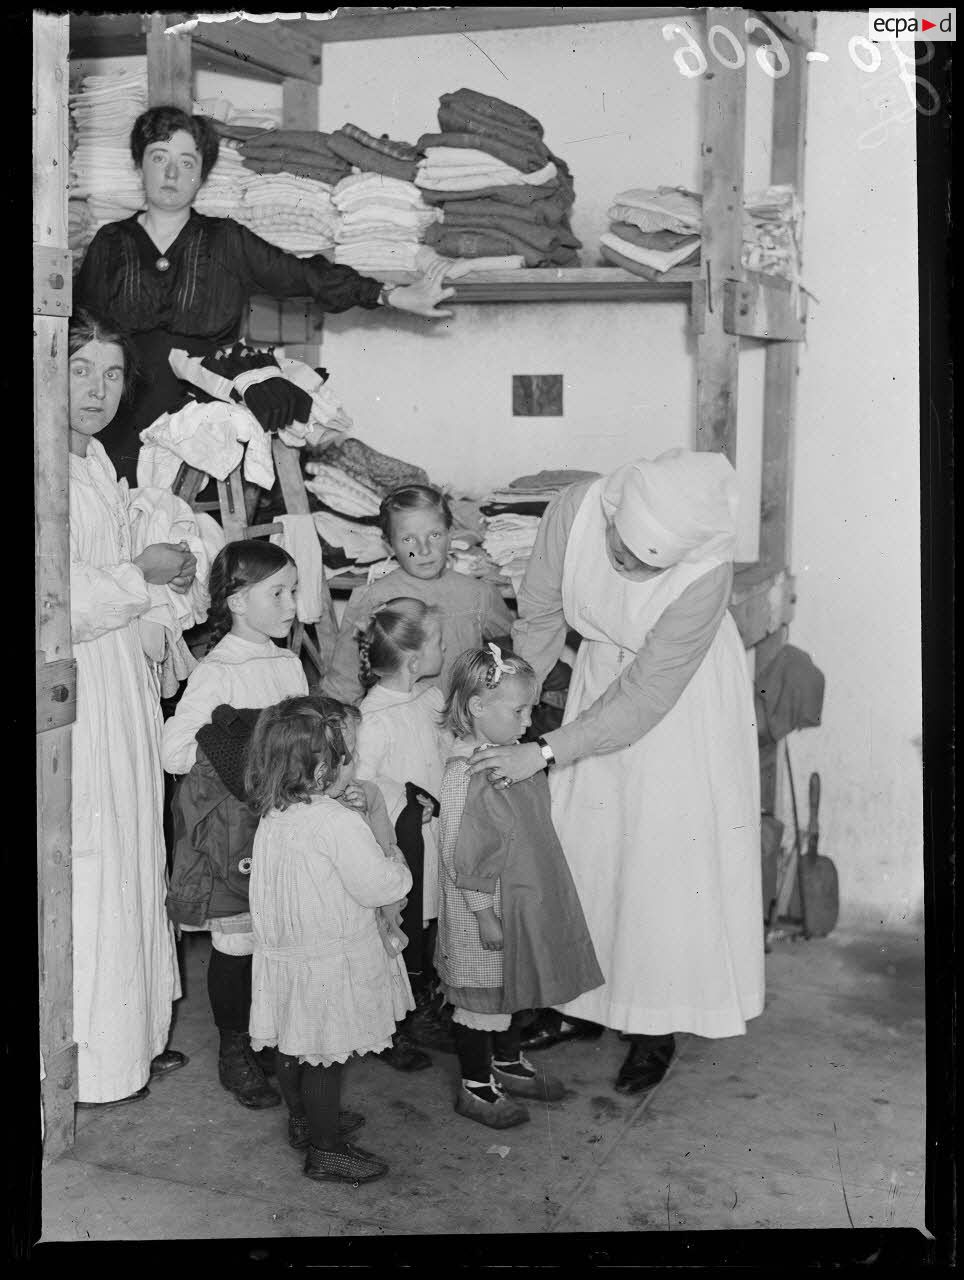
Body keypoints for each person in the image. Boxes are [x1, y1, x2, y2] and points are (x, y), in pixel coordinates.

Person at [469, 448, 764, 1094]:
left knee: (660, 868)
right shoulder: (573, 514)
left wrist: (544, 753)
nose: (623, 563)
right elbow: (542, 621)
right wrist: (509, 708)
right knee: (587, 850)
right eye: (620, 547)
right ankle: (580, 1007)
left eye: (642, 562)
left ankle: (654, 1026)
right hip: (602, 677)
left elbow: (644, 700)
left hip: (680, 704)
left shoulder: (706, 578)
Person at [74, 105, 455, 485]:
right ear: (139, 165)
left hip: (200, 411)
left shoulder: (226, 239)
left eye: (187, 162)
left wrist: (391, 296)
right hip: (121, 409)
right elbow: (80, 327)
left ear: (201, 175)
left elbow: (304, 276)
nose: (172, 173)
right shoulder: (111, 242)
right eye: (159, 157)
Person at [67, 309, 196, 1107]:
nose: (97, 389)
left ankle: (129, 1039)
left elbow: (124, 576)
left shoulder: (97, 466)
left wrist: (165, 578)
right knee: (90, 859)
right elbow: (52, 600)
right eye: (81, 368)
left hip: (118, 684)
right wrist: (139, 575)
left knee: (129, 849)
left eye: (112, 374)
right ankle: (84, 1057)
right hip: (73, 689)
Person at [162, 540, 308, 1108]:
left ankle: (268, 1034)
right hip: (237, 833)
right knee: (240, 940)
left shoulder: (288, 661)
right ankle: (233, 1049)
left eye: (294, 590)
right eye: (280, 593)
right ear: (237, 601)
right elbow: (174, 748)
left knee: (279, 936)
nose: (293, 604)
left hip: (286, 824)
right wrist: (243, 739)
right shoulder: (218, 671)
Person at [246, 694, 413, 1185]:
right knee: (323, 1057)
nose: (354, 766)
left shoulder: (276, 813)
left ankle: (304, 1119)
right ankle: (326, 1149)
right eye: (349, 758)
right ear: (322, 768)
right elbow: (377, 884)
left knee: (294, 1044)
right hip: (326, 959)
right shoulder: (335, 822)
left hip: (288, 957)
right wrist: (399, 868)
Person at [435, 646, 604, 1129]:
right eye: (519, 710)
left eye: (531, 709)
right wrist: (482, 912)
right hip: (484, 912)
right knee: (480, 999)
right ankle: (475, 1085)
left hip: (517, 900)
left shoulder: (507, 758)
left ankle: (506, 1063)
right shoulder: (466, 775)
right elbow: (459, 850)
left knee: (511, 989)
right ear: (477, 708)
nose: (529, 721)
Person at [355, 599, 454, 1066]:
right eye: (439, 641)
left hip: (435, 837)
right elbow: (363, 780)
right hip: (401, 841)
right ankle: (391, 1025)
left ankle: (422, 1006)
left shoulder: (429, 698)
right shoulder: (373, 718)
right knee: (398, 930)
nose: (445, 648)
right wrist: (407, 795)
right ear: (414, 660)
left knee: (428, 922)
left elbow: (445, 749)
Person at [323, 483, 515, 706]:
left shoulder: (479, 594)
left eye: (434, 535)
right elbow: (345, 678)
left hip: (462, 724)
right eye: (408, 540)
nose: (423, 549)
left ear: (451, 534)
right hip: (401, 722)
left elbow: (508, 648)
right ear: (389, 545)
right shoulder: (375, 598)